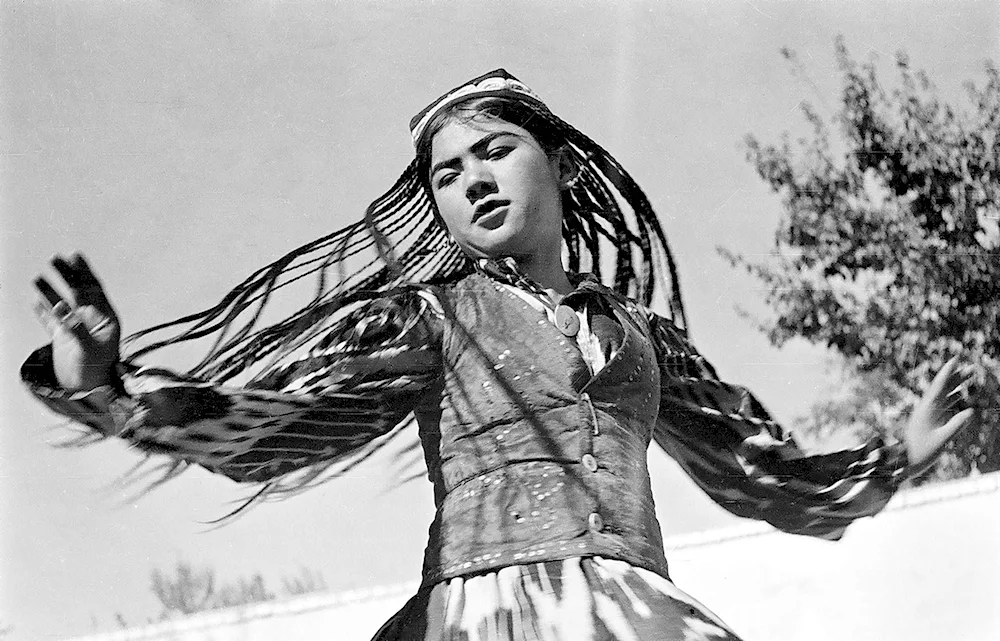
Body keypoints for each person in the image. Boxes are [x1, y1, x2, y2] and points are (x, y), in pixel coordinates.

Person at [22, 69, 974, 640]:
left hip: (628, 614)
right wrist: (106, 386)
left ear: (556, 163)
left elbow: (758, 471)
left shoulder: (644, 339)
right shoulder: (428, 317)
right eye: (447, 172)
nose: (471, 179)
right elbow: (280, 422)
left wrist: (896, 458)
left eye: (494, 151)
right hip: (476, 619)